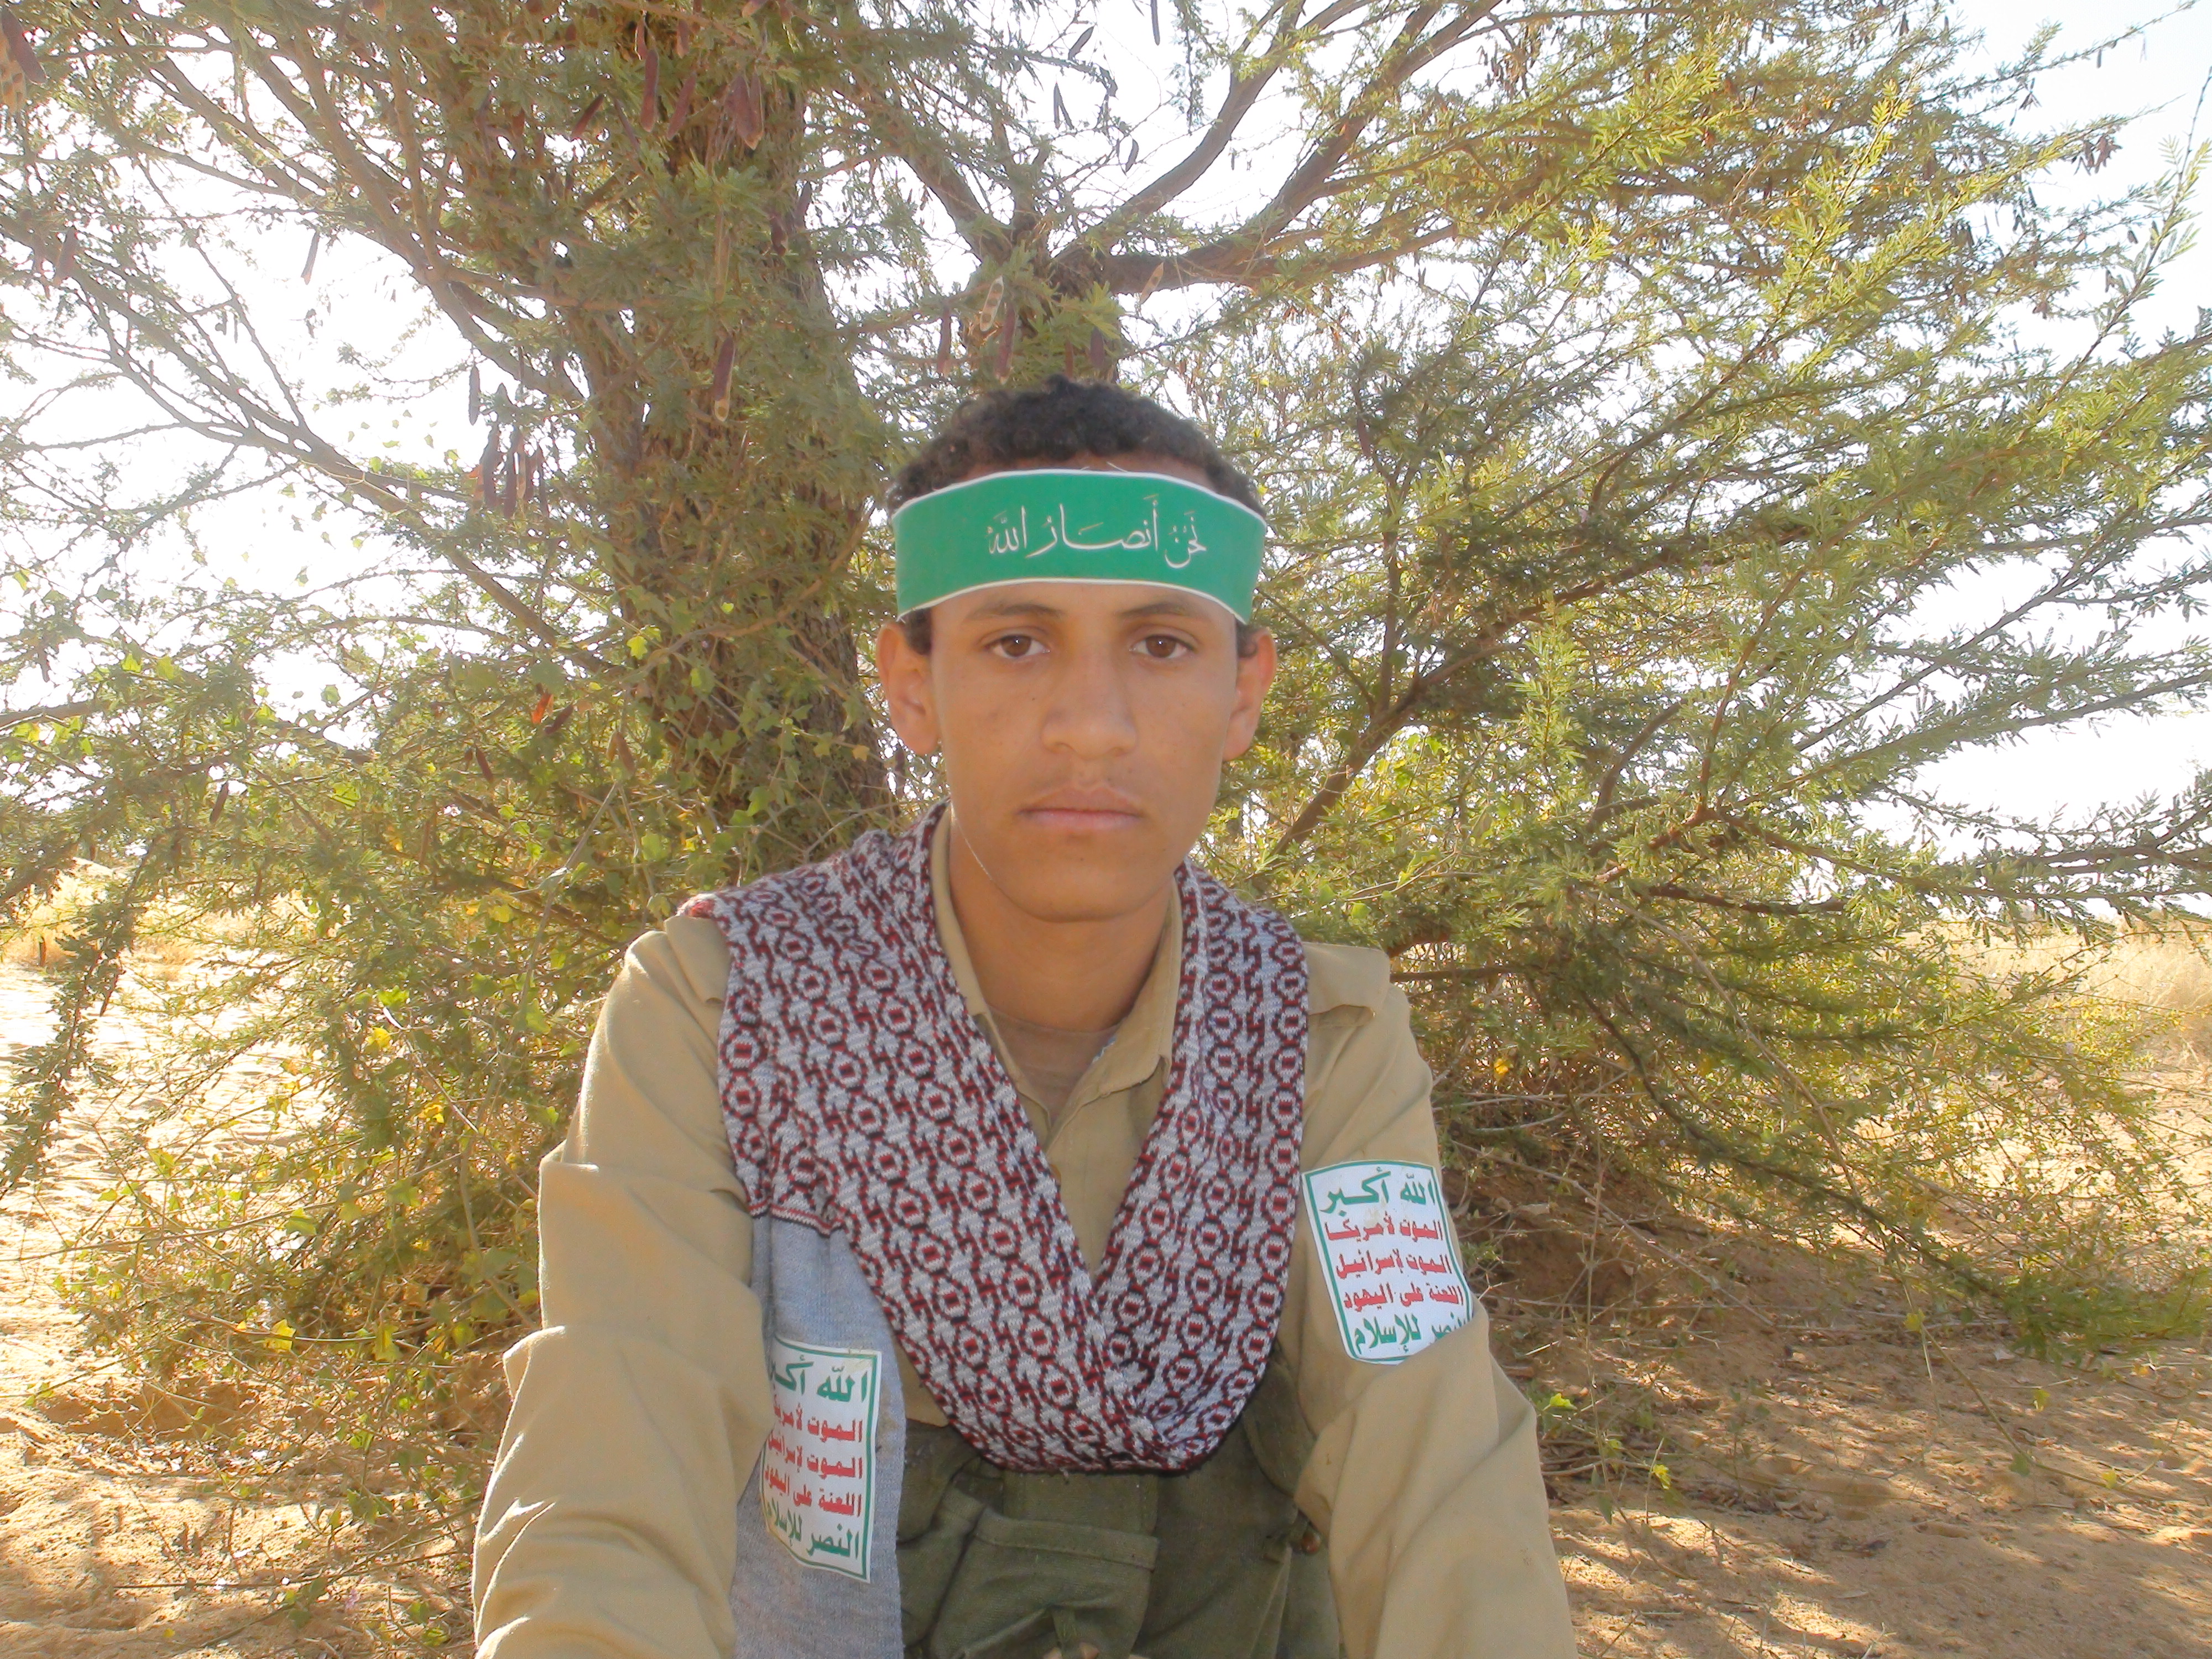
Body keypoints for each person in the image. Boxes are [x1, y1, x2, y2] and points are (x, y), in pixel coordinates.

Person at [473, 376, 1575, 1659]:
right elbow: (612, 1449)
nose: (1089, 728)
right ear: (911, 684)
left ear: (1242, 691)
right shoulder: (727, 1002)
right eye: (1014, 643)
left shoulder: (1317, 1035)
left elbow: (1427, 1450)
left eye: (1160, 646)